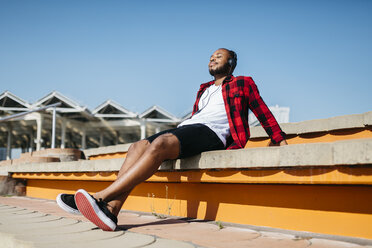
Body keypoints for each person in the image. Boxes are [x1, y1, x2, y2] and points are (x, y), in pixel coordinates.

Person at [56, 48, 288, 231]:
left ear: (230, 63)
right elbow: (197, 116)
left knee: (160, 144)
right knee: (138, 146)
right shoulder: (204, 89)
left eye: (219, 56)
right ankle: (111, 211)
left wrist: (278, 138)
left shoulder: (243, 83)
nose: (212, 59)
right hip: (190, 127)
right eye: (210, 57)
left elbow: (262, 110)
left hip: (214, 133)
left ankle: (100, 197)